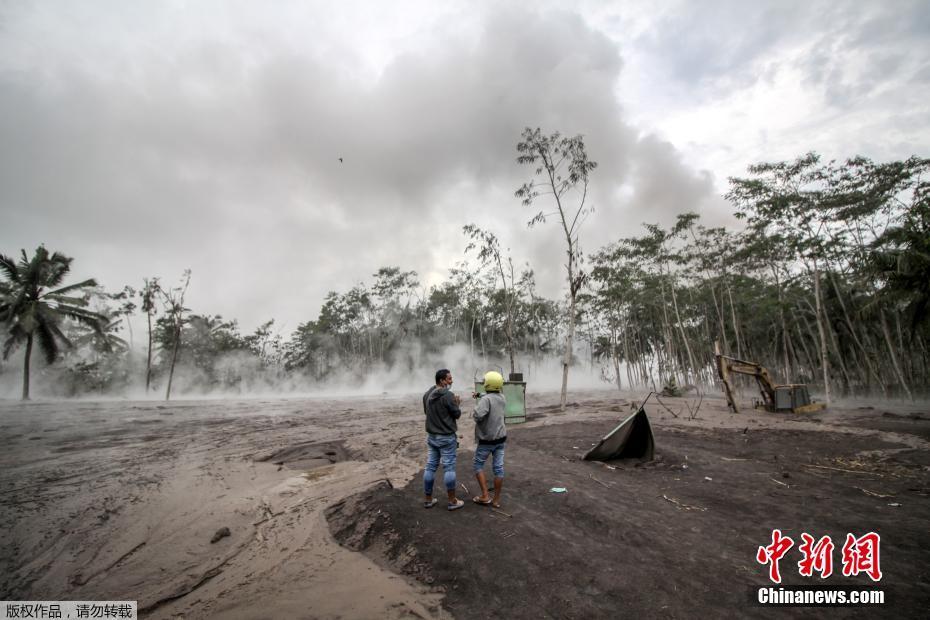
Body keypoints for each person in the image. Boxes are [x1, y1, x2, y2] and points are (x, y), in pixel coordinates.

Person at [422, 368, 465, 510]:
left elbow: (426, 412)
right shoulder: (448, 395)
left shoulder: (427, 394)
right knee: (449, 468)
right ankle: (452, 501)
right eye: (449, 379)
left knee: (430, 466)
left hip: (432, 437)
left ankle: (428, 499)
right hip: (446, 438)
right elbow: (457, 414)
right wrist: (457, 404)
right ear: (442, 380)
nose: (451, 381)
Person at [471, 371, 507, 508]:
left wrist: (477, 404)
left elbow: (478, 416)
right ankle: (496, 500)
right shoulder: (502, 397)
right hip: (501, 439)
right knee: (498, 468)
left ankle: (485, 496)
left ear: (488, 383)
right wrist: (480, 395)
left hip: (487, 440)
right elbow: (491, 397)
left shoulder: (485, 400)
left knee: (478, 465)